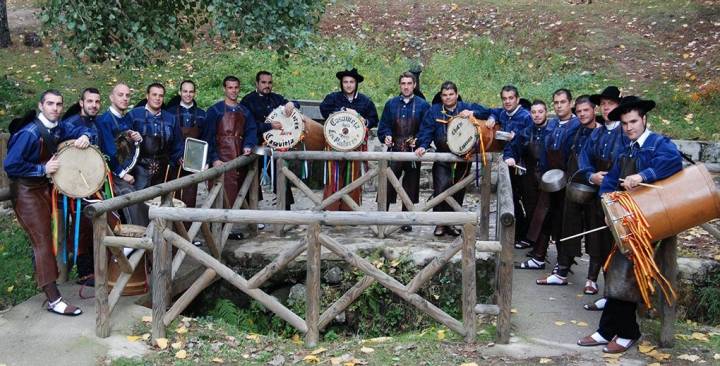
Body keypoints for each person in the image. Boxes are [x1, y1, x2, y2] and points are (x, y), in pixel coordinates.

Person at [578, 96, 682, 353]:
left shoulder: (659, 144)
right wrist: (607, 206)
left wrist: (643, 176)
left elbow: (673, 162)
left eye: (633, 121)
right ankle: (609, 330)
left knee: (625, 272)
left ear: (644, 120)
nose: (629, 127)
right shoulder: (627, 148)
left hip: (652, 220)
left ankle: (626, 332)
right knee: (618, 270)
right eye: (624, 123)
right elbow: (612, 180)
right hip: (628, 220)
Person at [4, 90, 96, 316]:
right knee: (43, 241)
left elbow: (81, 129)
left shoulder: (59, 126)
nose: (55, 108)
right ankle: (54, 299)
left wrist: (85, 136)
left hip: (45, 190)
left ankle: (51, 284)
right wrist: (41, 169)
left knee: (47, 239)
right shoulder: (29, 133)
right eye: (50, 104)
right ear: (41, 106)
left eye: (59, 104)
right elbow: (11, 165)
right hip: (26, 192)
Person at [415, 81, 491, 236]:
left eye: (451, 94)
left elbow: (489, 113)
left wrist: (472, 113)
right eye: (444, 95)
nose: (448, 97)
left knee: (459, 190)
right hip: (443, 157)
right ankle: (440, 224)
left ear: (456, 95)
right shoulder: (434, 111)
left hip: (464, 158)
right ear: (441, 96)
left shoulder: (465, 107)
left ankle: (452, 223)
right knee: (441, 188)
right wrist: (423, 145)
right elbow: (426, 130)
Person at [538, 95, 599, 285]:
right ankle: (562, 271)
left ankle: (592, 279)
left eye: (586, 110)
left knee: (595, 232)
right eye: (579, 111)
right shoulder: (576, 131)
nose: (582, 114)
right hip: (574, 185)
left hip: (596, 188)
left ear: (594, 110)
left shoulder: (601, 132)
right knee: (568, 228)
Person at [516, 89, 580, 271]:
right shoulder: (552, 126)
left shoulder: (576, 126)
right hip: (549, 179)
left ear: (570, 103)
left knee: (563, 224)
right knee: (543, 218)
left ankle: (563, 264)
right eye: (556, 102)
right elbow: (545, 153)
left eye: (563, 102)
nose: (559, 105)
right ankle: (539, 257)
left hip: (567, 181)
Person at [579, 86, 627, 305]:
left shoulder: (625, 133)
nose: (607, 108)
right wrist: (591, 176)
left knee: (616, 244)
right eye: (604, 104)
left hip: (621, 195)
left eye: (611, 104)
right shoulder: (596, 133)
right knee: (597, 239)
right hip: (599, 193)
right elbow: (584, 158)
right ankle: (600, 285)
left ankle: (615, 293)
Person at [377, 72, 430, 231]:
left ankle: (406, 220)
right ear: (400, 85)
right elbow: (384, 126)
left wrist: (419, 140)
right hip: (394, 149)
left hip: (413, 152)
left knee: (411, 185)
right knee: (387, 182)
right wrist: (386, 136)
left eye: (409, 83)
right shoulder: (391, 104)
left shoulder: (423, 105)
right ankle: (381, 217)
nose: (406, 86)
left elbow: (426, 128)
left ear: (414, 85)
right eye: (403, 84)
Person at [319, 68, 378, 211]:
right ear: (341, 83)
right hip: (335, 144)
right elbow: (323, 110)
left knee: (353, 177)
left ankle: (350, 210)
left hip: (355, 145)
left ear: (356, 83)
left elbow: (374, 119)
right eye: (345, 82)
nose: (348, 85)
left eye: (351, 82)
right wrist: (340, 111)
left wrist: (364, 121)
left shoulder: (365, 101)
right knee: (334, 177)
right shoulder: (333, 98)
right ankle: (331, 209)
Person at [240, 71, 297, 213]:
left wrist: (291, 104)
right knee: (252, 178)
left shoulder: (276, 99)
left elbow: (294, 105)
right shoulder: (247, 101)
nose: (267, 85)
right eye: (263, 82)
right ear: (257, 83)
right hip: (256, 146)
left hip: (276, 147)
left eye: (269, 83)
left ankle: (286, 210)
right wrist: (269, 126)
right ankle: (252, 213)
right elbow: (248, 126)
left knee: (281, 177)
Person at [204, 76, 258, 218]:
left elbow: (251, 130)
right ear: (224, 89)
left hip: (239, 158)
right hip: (221, 158)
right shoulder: (214, 111)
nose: (233, 91)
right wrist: (214, 158)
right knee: (219, 193)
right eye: (230, 87)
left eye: (236, 87)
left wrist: (248, 145)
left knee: (238, 192)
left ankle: (230, 227)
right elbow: (208, 137)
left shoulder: (245, 111)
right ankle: (216, 227)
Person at [488, 85, 534, 247]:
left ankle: (529, 238)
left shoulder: (526, 117)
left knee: (527, 202)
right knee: (511, 199)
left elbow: (530, 139)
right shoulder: (503, 113)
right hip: (509, 165)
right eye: (504, 98)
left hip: (524, 165)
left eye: (511, 98)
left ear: (518, 99)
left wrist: (517, 138)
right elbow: (492, 111)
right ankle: (518, 234)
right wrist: (493, 117)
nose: (507, 101)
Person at [96, 83, 145, 226]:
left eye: (127, 95)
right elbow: (108, 152)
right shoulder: (105, 120)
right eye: (120, 95)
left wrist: (137, 137)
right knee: (132, 200)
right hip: (113, 175)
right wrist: (123, 174)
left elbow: (125, 139)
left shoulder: (125, 118)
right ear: (111, 97)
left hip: (128, 169)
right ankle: (135, 238)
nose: (125, 98)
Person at [503, 100, 549, 248]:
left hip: (547, 177)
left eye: (540, 112)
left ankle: (541, 248)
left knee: (545, 212)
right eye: (534, 112)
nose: (537, 115)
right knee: (530, 208)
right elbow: (512, 147)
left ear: (546, 112)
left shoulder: (553, 130)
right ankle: (532, 242)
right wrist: (510, 157)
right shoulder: (526, 132)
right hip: (530, 177)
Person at [127, 83, 184, 190]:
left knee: (160, 202)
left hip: (163, 170)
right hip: (139, 169)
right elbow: (123, 142)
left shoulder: (171, 119)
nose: (157, 98)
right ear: (147, 96)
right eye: (154, 95)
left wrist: (175, 161)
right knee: (139, 202)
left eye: (161, 96)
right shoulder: (134, 115)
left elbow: (178, 145)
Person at [166, 80, 207, 210]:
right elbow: (168, 139)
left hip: (194, 163)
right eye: (185, 91)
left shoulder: (201, 114)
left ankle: (188, 229)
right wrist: (177, 156)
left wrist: (204, 160)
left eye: (191, 91)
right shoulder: (170, 113)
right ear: (180, 92)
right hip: (174, 162)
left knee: (190, 196)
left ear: (195, 93)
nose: (188, 94)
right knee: (173, 196)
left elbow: (206, 138)